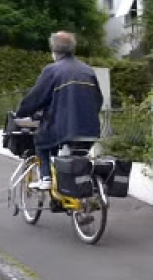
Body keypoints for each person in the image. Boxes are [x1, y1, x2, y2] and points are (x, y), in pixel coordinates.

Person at [16, 31, 103, 190]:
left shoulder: (52, 70)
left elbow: (36, 97)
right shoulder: (88, 70)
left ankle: (46, 178)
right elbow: (98, 100)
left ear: (54, 50)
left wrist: (21, 112)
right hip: (91, 129)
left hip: (64, 130)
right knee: (78, 159)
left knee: (41, 143)